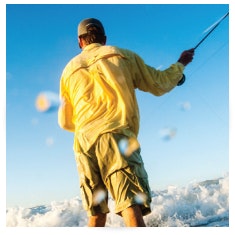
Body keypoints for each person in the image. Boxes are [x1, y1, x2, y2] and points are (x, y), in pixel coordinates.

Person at [58, 18, 194, 227]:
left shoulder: (68, 71)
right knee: (130, 205)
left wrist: (89, 125)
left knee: (96, 214)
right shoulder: (122, 55)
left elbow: (65, 122)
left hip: (83, 146)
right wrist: (181, 64)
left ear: (79, 42)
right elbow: (159, 83)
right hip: (116, 137)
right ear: (104, 38)